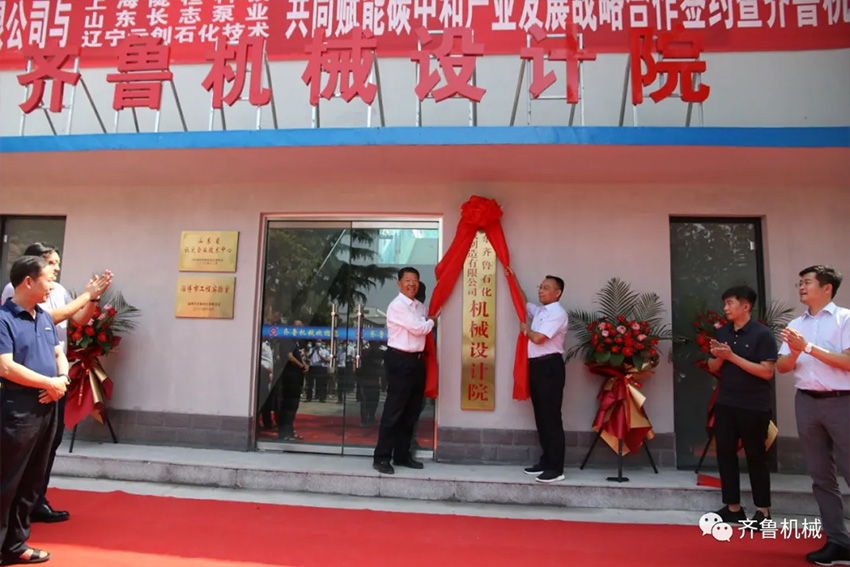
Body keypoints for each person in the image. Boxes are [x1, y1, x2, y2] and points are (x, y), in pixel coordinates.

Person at [1, 243, 111, 524]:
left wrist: (93, 299)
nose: (56, 270)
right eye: (52, 264)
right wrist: (86, 294)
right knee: (15, 459)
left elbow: (78, 320)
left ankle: (35, 503)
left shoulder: (56, 290)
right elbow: (51, 318)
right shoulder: (15, 292)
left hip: (55, 381)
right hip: (26, 387)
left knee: (46, 448)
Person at [776, 265, 850, 566]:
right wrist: (795, 351)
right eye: (800, 283)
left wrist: (806, 347)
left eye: (807, 282)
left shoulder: (845, 319)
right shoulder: (796, 324)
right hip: (806, 402)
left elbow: (848, 362)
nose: (801, 287)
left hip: (842, 402)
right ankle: (838, 542)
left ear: (827, 288)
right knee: (820, 476)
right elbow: (782, 367)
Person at [0, 256, 70, 565]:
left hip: (48, 404)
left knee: (32, 478)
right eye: (48, 279)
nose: (52, 286)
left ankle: (16, 544)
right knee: (8, 478)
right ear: (28, 281)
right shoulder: (4, 319)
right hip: (19, 408)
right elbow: (5, 366)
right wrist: (48, 383)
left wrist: (62, 379)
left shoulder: (43, 317)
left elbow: (58, 353)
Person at [706, 286, 778, 527]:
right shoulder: (723, 332)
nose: (725, 308)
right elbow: (713, 367)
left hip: (754, 405)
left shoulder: (762, 334)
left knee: (756, 456)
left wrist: (732, 357)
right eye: (725, 304)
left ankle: (763, 511)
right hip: (726, 402)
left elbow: (767, 372)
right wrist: (718, 356)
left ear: (745, 306)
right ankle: (733, 507)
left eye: (730, 303)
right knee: (725, 453)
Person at [373, 267, 436, 475]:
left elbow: (423, 323)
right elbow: (419, 329)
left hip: (417, 361)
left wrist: (429, 318)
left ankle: (402, 455)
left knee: (411, 411)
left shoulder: (419, 306)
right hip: (400, 360)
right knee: (394, 411)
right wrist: (432, 321)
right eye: (407, 280)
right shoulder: (397, 306)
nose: (412, 284)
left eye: (415, 280)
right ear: (399, 283)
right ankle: (382, 457)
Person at [516, 273, 569, 484]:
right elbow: (522, 301)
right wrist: (513, 278)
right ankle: (546, 461)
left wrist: (526, 330)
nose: (541, 290)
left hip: (549, 367)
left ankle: (556, 468)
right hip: (537, 367)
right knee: (541, 416)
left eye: (546, 288)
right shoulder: (541, 311)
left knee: (551, 417)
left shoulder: (557, 313)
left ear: (558, 293)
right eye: (540, 287)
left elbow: (538, 338)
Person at [278, 321, 308, 440]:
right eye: (299, 327)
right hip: (290, 376)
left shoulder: (295, 341)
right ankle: (284, 433)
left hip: (296, 376)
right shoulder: (287, 339)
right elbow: (289, 356)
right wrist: (301, 366)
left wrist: (304, 364)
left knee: (293, 405)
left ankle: (290, 431)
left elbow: (298, 356)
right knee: (288, 405)